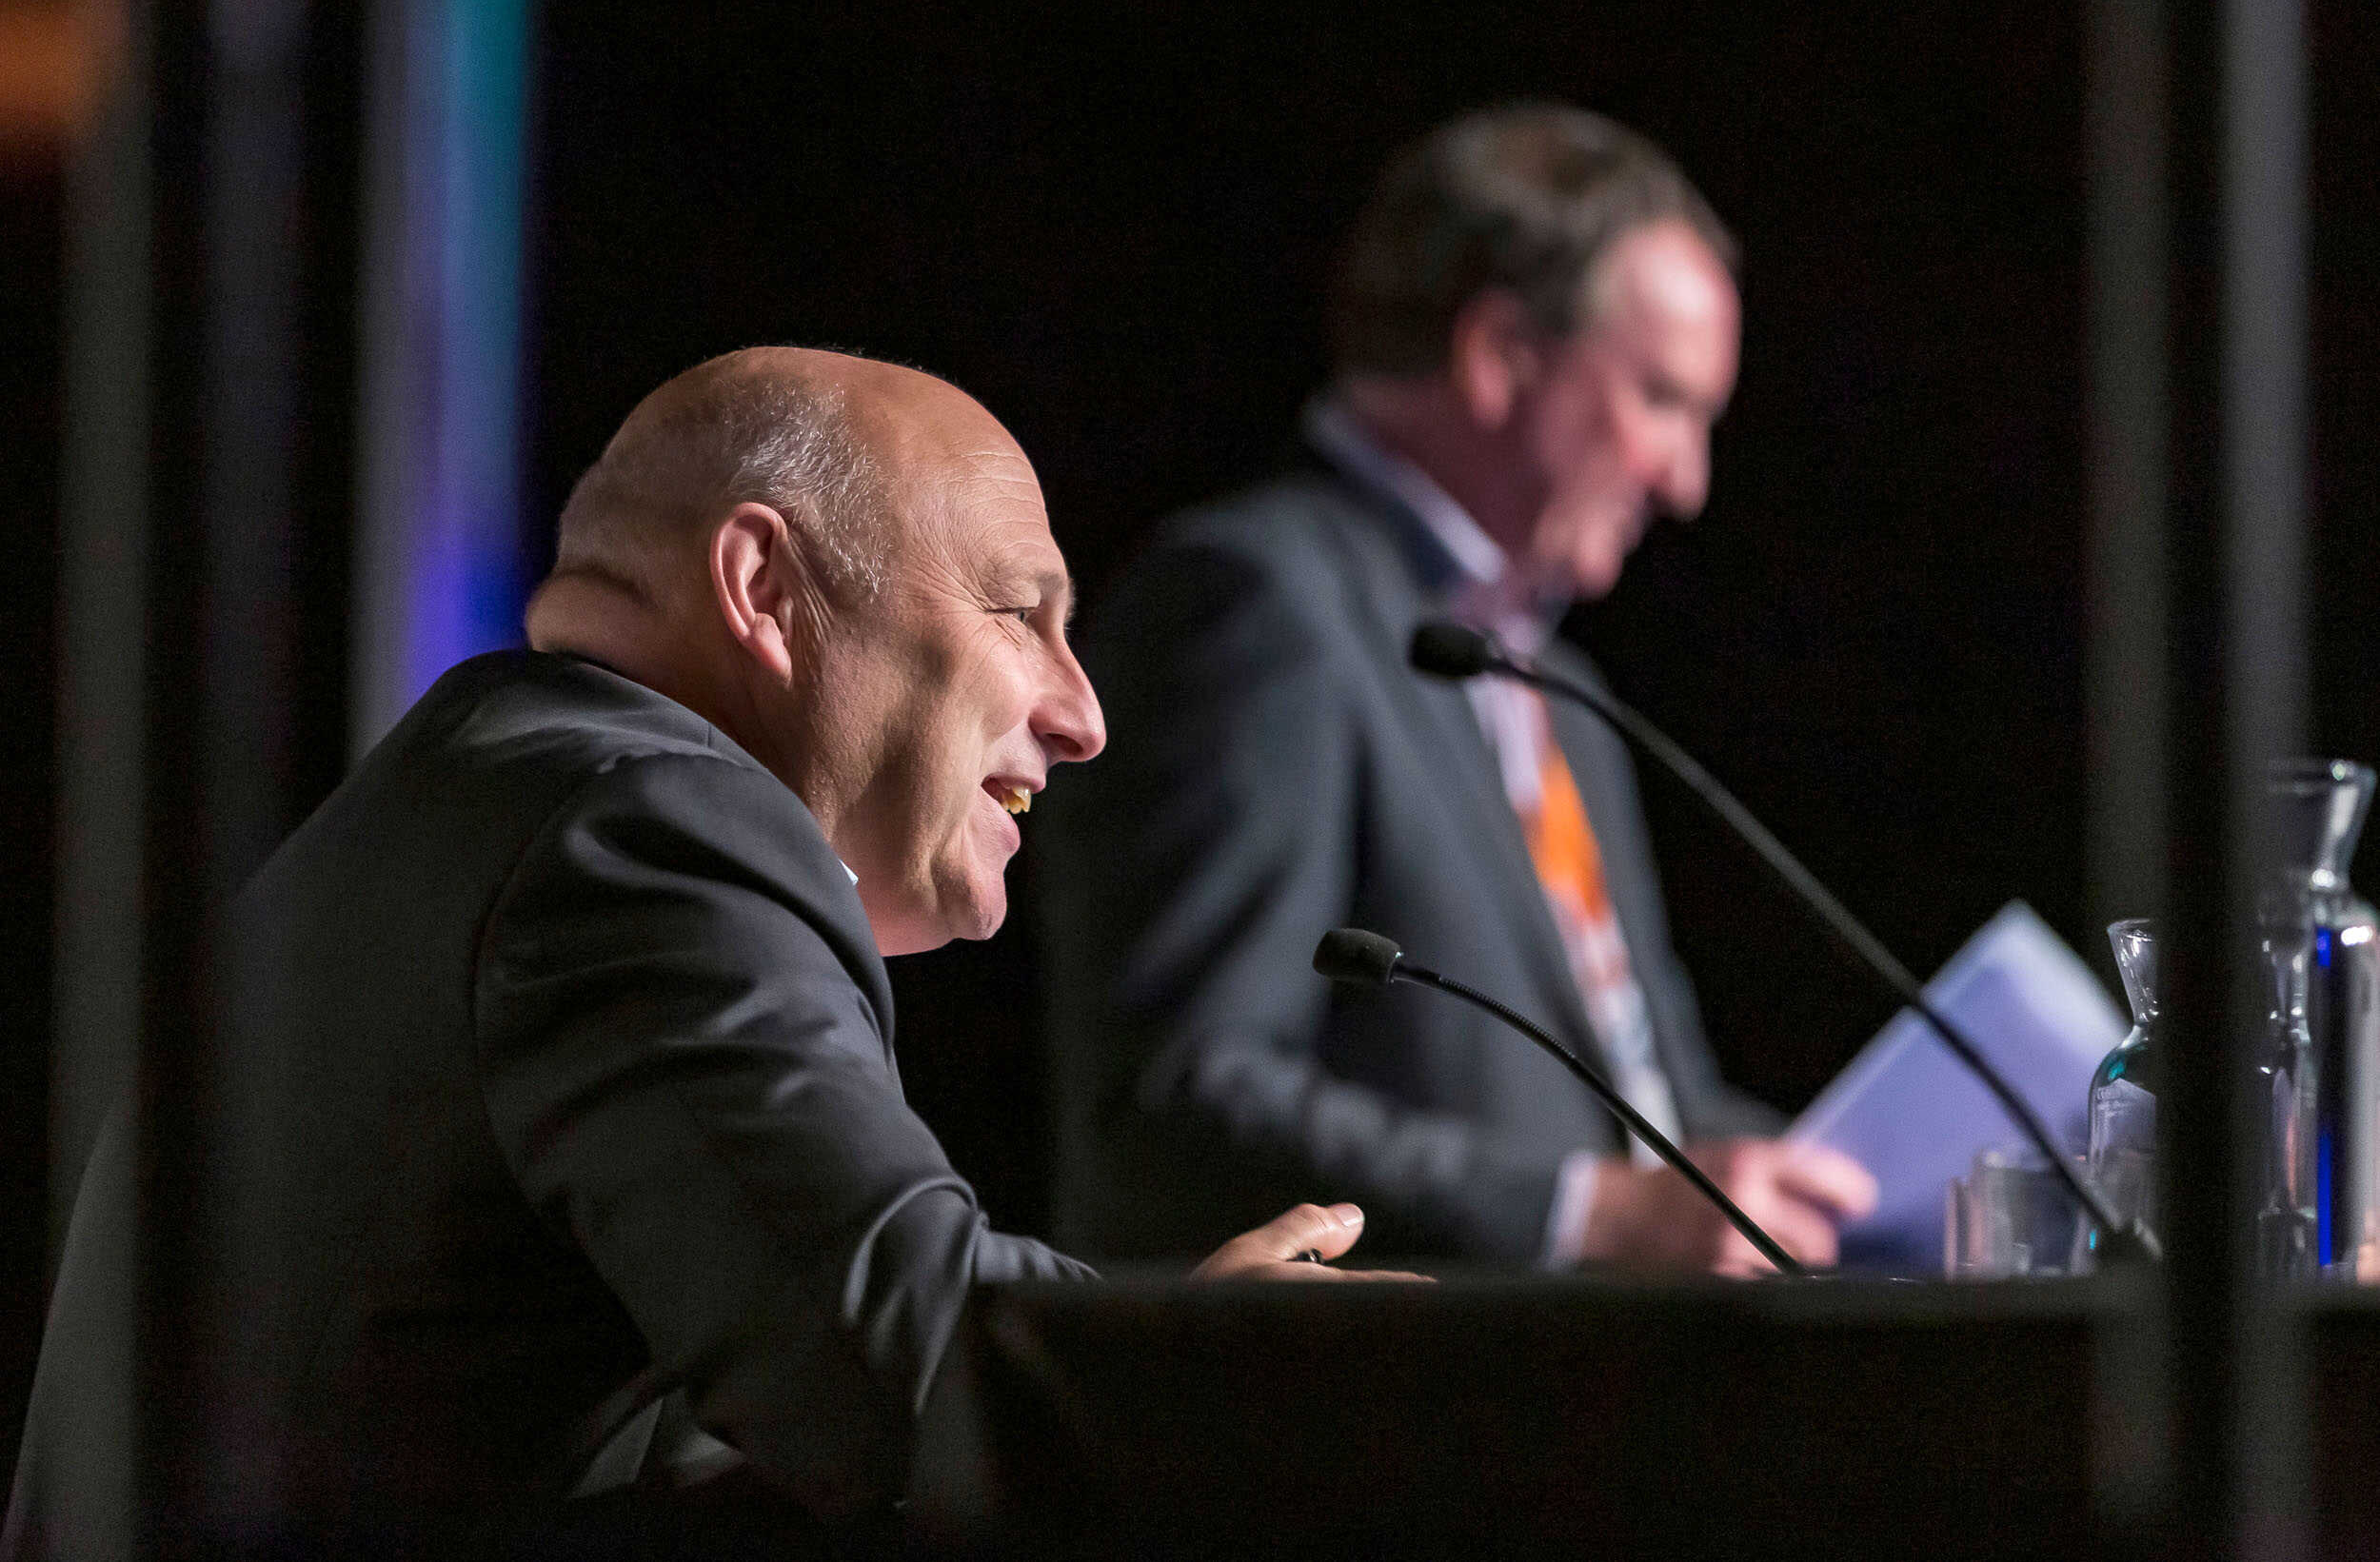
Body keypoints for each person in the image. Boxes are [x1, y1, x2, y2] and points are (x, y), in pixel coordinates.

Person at [5, 349, 1403, 1561]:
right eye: (1016, 611)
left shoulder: (510, 793)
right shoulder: (644, 826)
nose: (1084, 712)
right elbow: (888, 1365)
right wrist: (1206, 1363)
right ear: (763, 584)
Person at [1039, 103, 1875, 1275]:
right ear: (1497, 357)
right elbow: (1181, 1098)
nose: (1685, 482)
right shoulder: (1259, 607)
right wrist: (1585, 1216)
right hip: (1384, 1419)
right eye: (1662, 402)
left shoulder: (1549, 682)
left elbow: (1654, 1103)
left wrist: (1919, 1188)